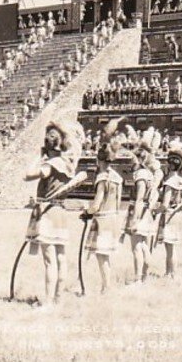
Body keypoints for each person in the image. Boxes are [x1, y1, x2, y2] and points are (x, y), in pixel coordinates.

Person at [23, 118, 84, 306]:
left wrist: (39, 157)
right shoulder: (66, 164)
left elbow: (27, 174)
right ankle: (58, 299)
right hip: (60, 212)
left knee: (49, 261)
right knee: (61, 257)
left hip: (48, 213)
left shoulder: (51, 164)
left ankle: (49, 302)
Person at [82, 118, 124, 294]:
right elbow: (119, 201)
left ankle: (106, 287)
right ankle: (107, 285)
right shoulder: (117, 177)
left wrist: (87, 211)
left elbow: (97, 203)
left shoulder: (102, 177)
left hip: (103, 220)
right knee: (106, 254)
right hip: (114, 217)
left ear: (99, 161)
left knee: (101, 255)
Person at [122, 126, 163, 284]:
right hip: (146, 212)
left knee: (136, 247)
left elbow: (139, 199)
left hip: (139, 212)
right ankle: (145, 277)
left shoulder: (141, 175)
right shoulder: (150, 175)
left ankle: (138, 279)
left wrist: (134, 220)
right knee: (144, 245)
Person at [155, 140, 182, 278]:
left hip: (169, 216)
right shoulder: (180, 180)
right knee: (172, 248)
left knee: (169, 248)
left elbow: (165, 204)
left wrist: (155, 210)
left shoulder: (170, 182)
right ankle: (171, 272)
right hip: (177, 216)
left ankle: (170, 273)